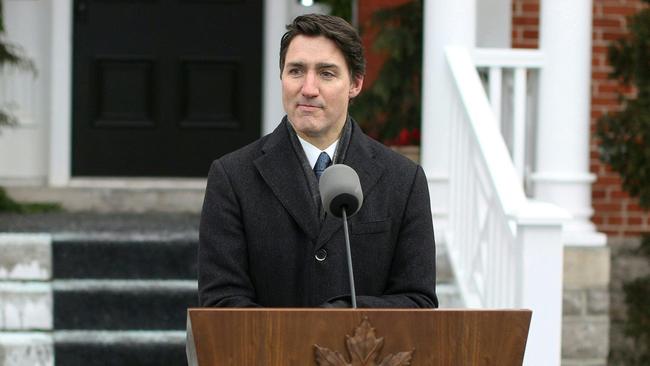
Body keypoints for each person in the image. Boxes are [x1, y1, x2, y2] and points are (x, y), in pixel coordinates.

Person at [198, 13, 437, 308]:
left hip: (363, 353)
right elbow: (221, 303)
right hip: (267, 353)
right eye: (296, 71)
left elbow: (417, 301)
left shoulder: (404, 179)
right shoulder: (232, 177)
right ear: (282, 77)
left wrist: (338, 322)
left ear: (356, 84)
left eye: (326, 73)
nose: (308, 89)